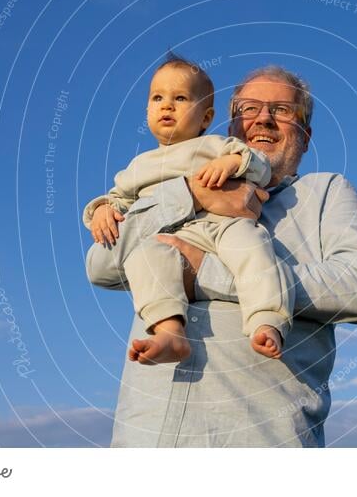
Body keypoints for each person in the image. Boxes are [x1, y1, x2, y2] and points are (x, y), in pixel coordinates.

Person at [86, 65, 357, 447]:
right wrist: (192, 197)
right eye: (249, 108)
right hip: (147, 437)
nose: (264, 118)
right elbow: (101, 265)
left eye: (282, 110)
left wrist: (204, 272)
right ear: (229, 127)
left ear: (305, 136)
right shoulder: (165, 187)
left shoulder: (325, 192)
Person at [83, 55, 292, 362]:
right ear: (147, 111)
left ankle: (267, 320)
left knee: (253, 247)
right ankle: (169, 332)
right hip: (173, 239)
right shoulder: (139, 167)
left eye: (180, 98)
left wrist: (232, 162)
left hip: (222, 227)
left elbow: (258, 165)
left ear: (206, 118)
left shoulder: (215, 145)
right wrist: (101, 208)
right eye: (157, 98)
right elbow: (118, 200)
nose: (167, 105)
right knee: (146, 256)